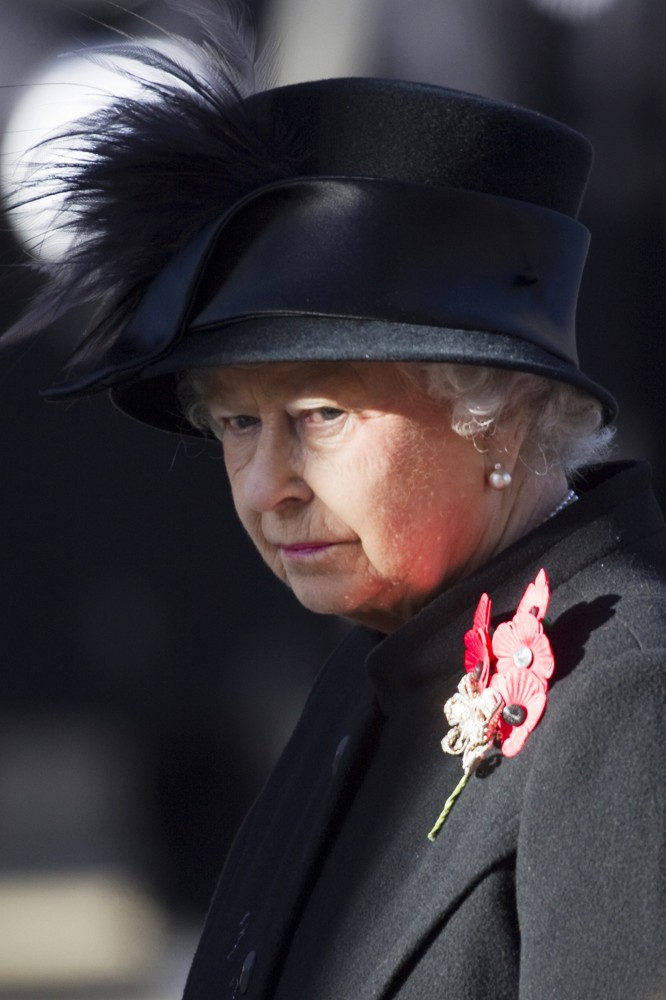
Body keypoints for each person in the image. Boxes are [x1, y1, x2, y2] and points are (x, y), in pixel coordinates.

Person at [4, 2, 665, 997]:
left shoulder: (625, 700)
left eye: (318, 417)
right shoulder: (376, 665)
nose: (269, 489)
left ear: (494, 414)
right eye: (235, 425)